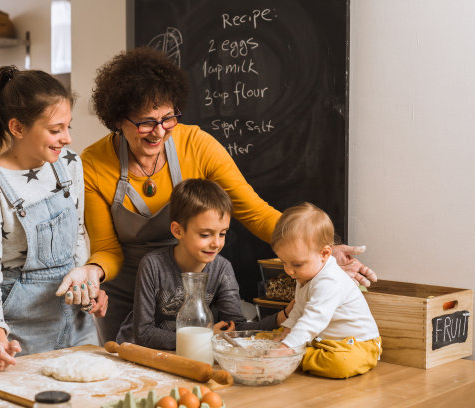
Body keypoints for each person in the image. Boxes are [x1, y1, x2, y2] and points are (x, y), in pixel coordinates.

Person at [79, 47, 377, 343]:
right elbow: (108, 249)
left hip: (189, 287)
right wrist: (94, 270)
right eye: (145, 122)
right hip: (126, 295)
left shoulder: (198, 145)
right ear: (118, 119)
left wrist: (318, 248)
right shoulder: (93, 163)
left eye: (168, 118)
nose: (159, 132)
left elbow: (255, 212)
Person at [0, 66, 108, 371]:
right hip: (17, 334)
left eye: (68, 127)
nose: (67, 139)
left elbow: (78, 236)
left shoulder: (69, 164)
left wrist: (88, 287)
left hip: (76, 325)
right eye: (56, 130)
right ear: (17, 128)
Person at [116, 179, 293, 349]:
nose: (216, 243)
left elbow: (236, 328)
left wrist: (282, 316)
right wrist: (205, 338)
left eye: (222, 234)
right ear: (178, 231)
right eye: (205, 234)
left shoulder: (222, 269)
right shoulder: (152, 266)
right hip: (138, 352)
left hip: (186, 352)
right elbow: (143, 333)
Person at [270, 202, 382, 379]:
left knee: (341, 364)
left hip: (357, 345)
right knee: (270, 337)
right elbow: (299, 310)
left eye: (296, 264)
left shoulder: (329, 281)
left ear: (324, 254)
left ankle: (298, 357)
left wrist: (286, 349)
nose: (289, 271)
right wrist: (286, 334)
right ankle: (296, 350)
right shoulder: (305, 274)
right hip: (324, 340)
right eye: (284, 262)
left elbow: (312, 319)